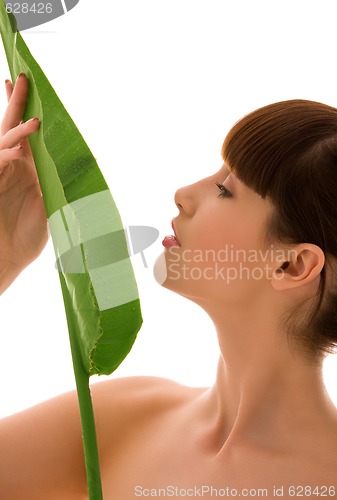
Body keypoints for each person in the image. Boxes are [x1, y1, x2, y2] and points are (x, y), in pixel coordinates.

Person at [0, 73, 337, 500]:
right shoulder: (123, 417)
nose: (183, 194)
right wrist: (4, 253)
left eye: (224, 190)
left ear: (292, 264)